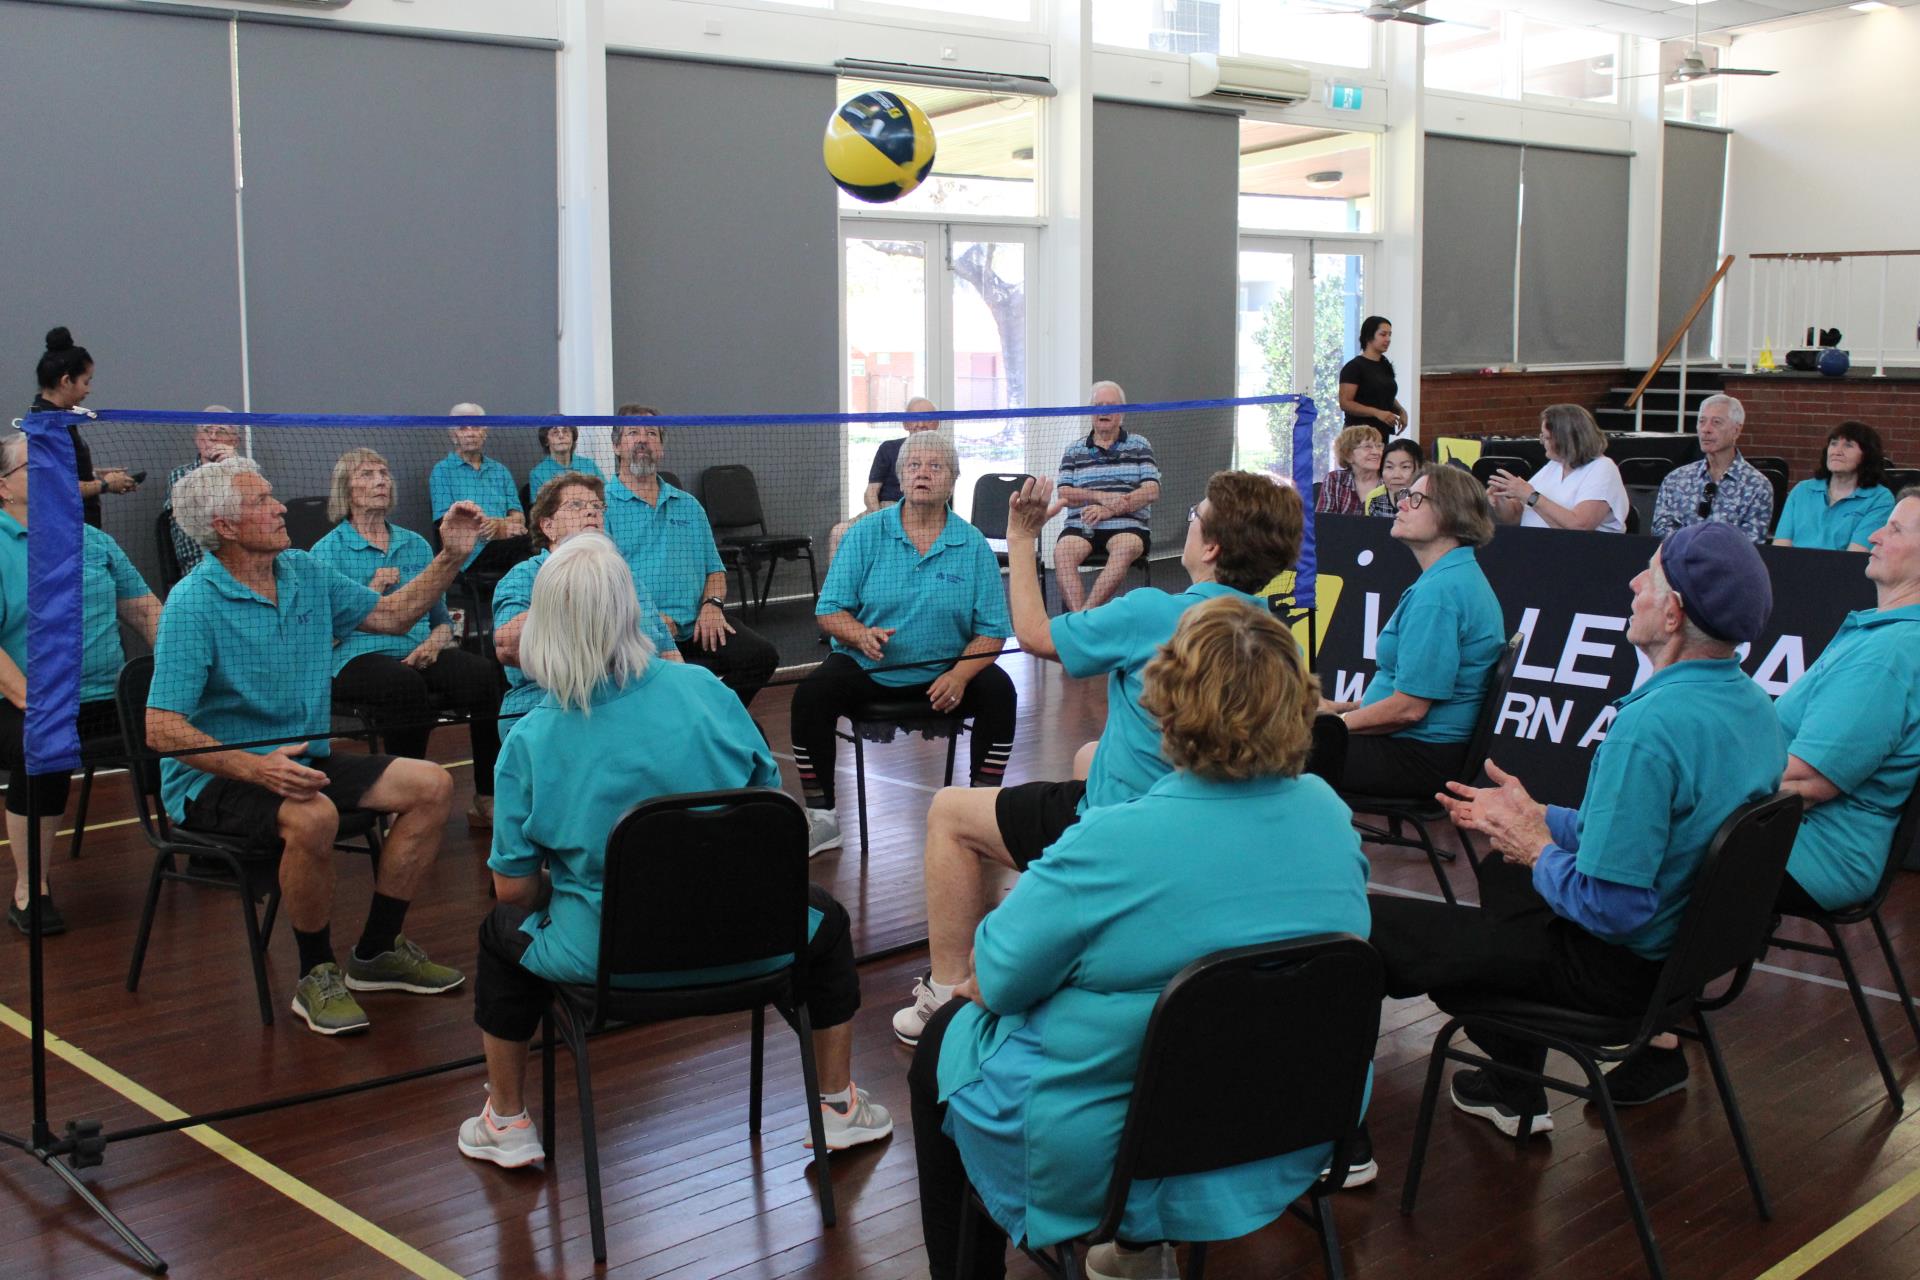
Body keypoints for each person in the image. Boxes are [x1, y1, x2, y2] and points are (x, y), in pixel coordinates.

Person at [911, 597, 1370, 1280]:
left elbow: (998, 979)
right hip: (1291, 1133)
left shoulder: (1114, 840)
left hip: (1115, 1153)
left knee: (941, 1045)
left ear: (1166, 704)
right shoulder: (1330, 816)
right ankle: (1132, 1251)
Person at [458, 532, 891, 1168]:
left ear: (545, 624)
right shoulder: (708, 691)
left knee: (501, 937)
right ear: (631, 609)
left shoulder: (529, 740)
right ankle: (837, 1106)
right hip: (752, 945)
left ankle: (507, 1119)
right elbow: (772, 824)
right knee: (826, 922)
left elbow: (514, 892)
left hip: (612, 964)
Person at [1369, 521, 1783, 1139]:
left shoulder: (1651, 729)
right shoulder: (1755, 708)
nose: (1633, 582)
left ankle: (1332, 1139)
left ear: (1672, 614)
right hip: (1681, 968)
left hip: (1615, 974)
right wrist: (1537, 817)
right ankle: (1515, 1088)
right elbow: (1651, 832)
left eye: (1650, 575)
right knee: (1498, 871)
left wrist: (1535, 848)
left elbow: (1613, 906)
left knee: (1371, 925)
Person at [895, 470, 1303, 1047]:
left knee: (950, 813)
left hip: (1135, 830)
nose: (1187, 521)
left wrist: (1019, 538)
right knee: (1089, 754)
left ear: (1209, 547)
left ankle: (946, 992)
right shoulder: (1274, 631)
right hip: (1216, 820)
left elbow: (1035, 635)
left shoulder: (1151, 613)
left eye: (1194, 514)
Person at [149, 457, 490, 1036]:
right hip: (216, 779)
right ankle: (315, 973)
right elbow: (162, 728)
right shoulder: (192, 603)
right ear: (226, 526)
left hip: (303, 759)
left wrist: (451, 555)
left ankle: (377, 952)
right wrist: (257, 770)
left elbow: (392, 613)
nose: (281, 507)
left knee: (432, 785)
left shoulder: (304, 570)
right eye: (262, 501)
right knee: (314, 816)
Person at [1608, 488, 1920, 1105]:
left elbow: (1808, 780)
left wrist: (1693, 793)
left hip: (1818, 852)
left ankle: (1654, 1035)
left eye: (1898, 531)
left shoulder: (1891, 654)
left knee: (1648, 845)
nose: (1878, 536)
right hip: (1792, 831)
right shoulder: (1880, 632)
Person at [793, 431, 1015, 857]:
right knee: (811, 695)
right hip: (869, 667)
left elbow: (992, 630)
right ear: (900, 477)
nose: (923, 475)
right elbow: (829, 610)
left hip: (945, 674)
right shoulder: (866, 534)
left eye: (935, 467)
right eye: (914, 467)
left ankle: (983, 811)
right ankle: (822, 820)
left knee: (1001, 691)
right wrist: (860, 634)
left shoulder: (971, 544)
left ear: (952, 481)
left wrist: (960, 673)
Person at [0, 431, 160, 934]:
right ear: (4, 488)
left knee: (183, 720)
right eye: (33, 465)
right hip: (24, 701)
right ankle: (31, 889)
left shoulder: (93, 541)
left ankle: (204, 838)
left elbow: (148, 613)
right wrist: (32, 699)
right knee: (41, 752)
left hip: (103, 698)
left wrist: (186, 671)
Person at [310, 448, 507, 830]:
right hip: (353, 658)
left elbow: (441, 618)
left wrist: (435, 642)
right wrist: (370, 591)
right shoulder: (325, 552)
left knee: (483, 675)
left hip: (421, 649)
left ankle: (486, 795)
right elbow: (321, 635)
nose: (381, 480)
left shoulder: (415, 544)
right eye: (367, 474)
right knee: (403, 685)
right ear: (345, 490)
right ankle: (405, 800)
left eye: (384, 473)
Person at [1318, 466, 1505, 800]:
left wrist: (1334, 727)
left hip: (1417, 756)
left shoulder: (1439, 594)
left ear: (1451, 515)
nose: (1401, 504)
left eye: (1416, 499)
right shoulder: (1454, 577)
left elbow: (1409, 709)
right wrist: (1343, 707)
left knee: (1268, 752)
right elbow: (1410, 695)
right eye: (1405, 496)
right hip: (1421, 749)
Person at [603, 413, 779, 710]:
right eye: (633, 433)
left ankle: (716, 719)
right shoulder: (602, 506)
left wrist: (712, 605)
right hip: (639, 632)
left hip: (697, 625)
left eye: (652, 434)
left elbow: (715, 570)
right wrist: (652, 624)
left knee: (761, 656)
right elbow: (603, 587)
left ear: (661, 448)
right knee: (661, 691)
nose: (644, 439)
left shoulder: (689, 505)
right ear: (617, 446)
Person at [492, 472, 679, 726]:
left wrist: (682, 699)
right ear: (548, 526)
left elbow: (668, 652)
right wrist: (575, 584)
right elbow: (507, 647)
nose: (592, 512)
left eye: (596, 506)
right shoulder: (524, 577)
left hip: (637, 700)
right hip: (555, 708)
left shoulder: (625, 576)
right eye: (576, 506)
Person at [1053, 381, 1160, 613]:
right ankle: (1081, 619)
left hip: (1128, 526)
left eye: (1111, 405)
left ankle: (1084, 619)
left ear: (1122, 412)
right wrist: (1100, 497)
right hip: (1082, 525)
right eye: (1098, 405)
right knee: (1062, 553)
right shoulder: (1074, 450)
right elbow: (1064, 492)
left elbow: (1151, 490)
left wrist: (1111, 510)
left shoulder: (1140, 445)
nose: (1104, 411)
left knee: (1122, 550)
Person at [29, 327, 136, 528]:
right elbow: (57, 487)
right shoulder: (46, 425)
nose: (89, 390)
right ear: (66, 381)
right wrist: (105, 485)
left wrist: (92, 474)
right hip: (68, 536)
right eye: (86, 382)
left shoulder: (60, 419)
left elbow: (62, 473)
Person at [829, 397, 940, 561]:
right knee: (838, 532)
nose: (920, 423)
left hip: (919, 512)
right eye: (914, 417)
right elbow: (871, 493)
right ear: (905, 424)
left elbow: (944, 493)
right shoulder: (888, 448)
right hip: (882, 509)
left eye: (927, 417)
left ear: (936, 423)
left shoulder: (943, 454)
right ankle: (836, 587)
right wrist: (881, 517)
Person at [1487, 404, 1627, 534]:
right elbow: (1516, 515)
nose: (1542, 443)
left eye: (1547, 438)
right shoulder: (1555, 466)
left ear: (1565, 440)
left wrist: (1532, 496)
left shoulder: (1602, 468)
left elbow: (1581, 526)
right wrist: (1501, 501)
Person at [1650, 394, 1773, 541]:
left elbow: (1748, 544)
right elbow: (1661, 530)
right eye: (1702, 421)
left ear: (1736, 430)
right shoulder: (1676, 479)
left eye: (1716, 422)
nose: (1706, 429)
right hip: (1678, 561)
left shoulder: (1757, 486)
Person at [428, 403, 526, 572]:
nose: (471, 433)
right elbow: (445, 522)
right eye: (463, 428)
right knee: (527, 544)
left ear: (485, 433)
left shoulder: (500, 471)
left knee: (532, 544)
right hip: (469, 555)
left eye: (476, 426)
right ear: (453, 436)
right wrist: (493, 529)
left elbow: (519, 518)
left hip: (506, 542)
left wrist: (498, 525)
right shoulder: (442, 471)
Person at [1773, 420, 1895, 552]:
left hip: (1843, 570)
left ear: (1867, 455)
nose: (1837, 451)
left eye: (1848, 445)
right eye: (1833, 444)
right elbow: (1781, 549)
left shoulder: (1880, 499)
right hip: (1793, 569)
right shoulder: (1802, 490)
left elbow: (1855, 557)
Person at [164, 411, 240, 575]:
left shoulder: (244, 472)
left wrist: (234, 466)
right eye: (207, 430)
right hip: (199, 562)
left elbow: (250, 517)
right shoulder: (180, 475)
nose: (212, 437)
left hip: (241, 559)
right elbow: (204, 516)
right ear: (198, 439)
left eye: (221, 431)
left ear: (234, 441)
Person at [1339, 314, 1407, 434]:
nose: (1388, 339)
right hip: (1358, 433)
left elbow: (1385, 395)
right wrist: (1377, 413)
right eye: (1383, 334)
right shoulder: (1354, 367)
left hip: (1382, 431)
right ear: (1369, 337)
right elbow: (1345, 403)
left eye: (1390, 335)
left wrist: (1401, 411)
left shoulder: (1385, 365)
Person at [1317, 424, 1385, 516]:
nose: (1376, 452)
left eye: (1379, 446)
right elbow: (1323, 522)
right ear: (1348, 455)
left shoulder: (1389, 483)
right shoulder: (1335, 480)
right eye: (1367, 447)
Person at [527, 422, 603, 498]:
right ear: (546, 441)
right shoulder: (537, 473)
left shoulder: (589, 465)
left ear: (572, 438)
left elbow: (605, 496)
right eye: (555, 432)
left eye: (565, 431)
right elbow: (540, 508)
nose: (561, 436)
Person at [1367, 437, 1425, 517]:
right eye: (1389, 467)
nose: (1396, 475)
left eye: (1405, 467)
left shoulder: (1428, 503)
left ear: (1421, 469)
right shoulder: (1376, 502)